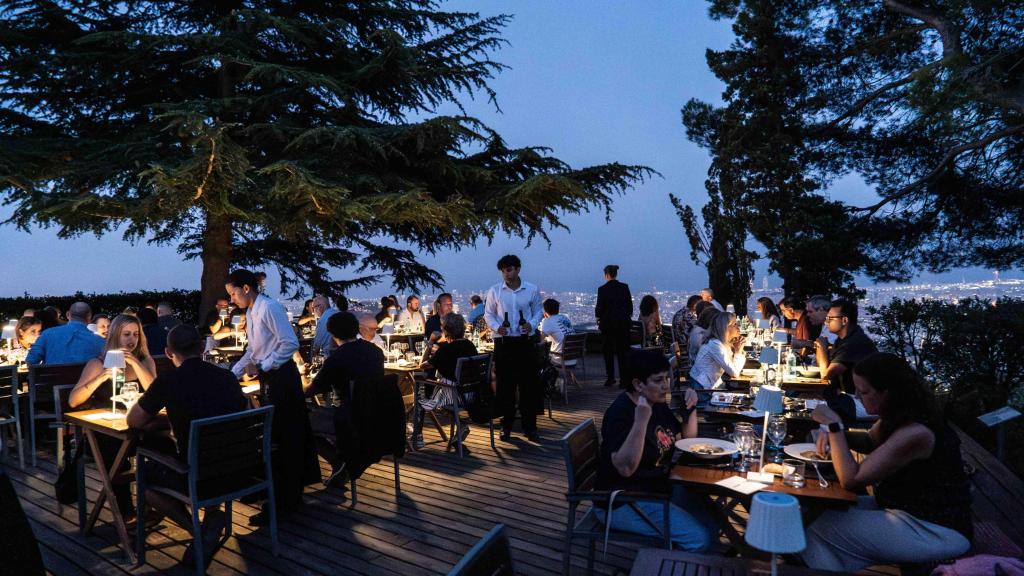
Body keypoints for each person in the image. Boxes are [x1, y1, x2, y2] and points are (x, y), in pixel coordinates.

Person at [802, 353, 972, 572]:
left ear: (887, 393)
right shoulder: (898, 416)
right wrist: (841, 434)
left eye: (864, 392)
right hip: (901, 507)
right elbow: (868, 440)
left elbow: (850, 479)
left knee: (819, 530)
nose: (857, 397)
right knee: (814, 512)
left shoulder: (917, 432)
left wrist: (834, 426)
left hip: (934, 528)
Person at [126, 325, 247, 563]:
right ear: (202, 347)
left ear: (169, 352)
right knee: (205, 453)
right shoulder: (227, 377)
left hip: (201, 477)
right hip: (242, 470)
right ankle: (213, 516)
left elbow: (134, 420)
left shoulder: (169, 382)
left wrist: (165, 419)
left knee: (146, 477)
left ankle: (198, 531)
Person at [595, 349, 712, 551]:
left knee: (712, 519)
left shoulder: (656, 403)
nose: (666, 385)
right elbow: (626, 468)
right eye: (658, 380)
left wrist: (691, 409)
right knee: (699, 539)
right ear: (638, 384)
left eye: (667, 378)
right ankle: (665, 565)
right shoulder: (620, 414)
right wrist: (641, 421)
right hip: (623, 502)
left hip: (657, 489)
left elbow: (687, 441)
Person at [226, 269, 316, 524]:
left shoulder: (269, 307)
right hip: (271, 377)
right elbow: (253, 350)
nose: (232, 299)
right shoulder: (251, 311)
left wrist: (264, 366)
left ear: (246, 288)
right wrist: (233, 373)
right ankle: (276, 492)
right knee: (274, 434)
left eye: (233, 293)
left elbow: (290, 343)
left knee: (285, 436)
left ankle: (288, 499)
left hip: (283, 379)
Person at [69, 314, 157, 519]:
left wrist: (134, 362)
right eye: (126, 334)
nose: (131, 339)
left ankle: (153, 502)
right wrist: (102, 377)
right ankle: (127, 512)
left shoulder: (144, 361)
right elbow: (73, 400)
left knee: (162, 442)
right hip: (103, 431)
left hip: (136, 427)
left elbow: (154, 392)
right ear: (115, 335)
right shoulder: (98, 363)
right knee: (114, 449)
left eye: (135, 334)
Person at [304, 311, 385, 485]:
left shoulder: (337, 358)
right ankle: (342, 463)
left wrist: (299, 384)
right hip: (378, 418)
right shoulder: (376, 352)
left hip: (351, 421)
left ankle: (338, 461)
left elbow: (313, 390)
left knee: (301, 420)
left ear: (333, 334)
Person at [484, 254, 543, 442]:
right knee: (505, 388)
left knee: (528, 386)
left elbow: (538, 311)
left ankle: (530, 427)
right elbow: (488, 314)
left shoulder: (531, 290)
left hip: (525, 343)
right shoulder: (495, 291)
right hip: (504, 343)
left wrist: (532, 325)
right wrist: (496, 327)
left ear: (517, 269)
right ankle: (506, 426)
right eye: (503, 271)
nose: (505, 274)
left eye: (508, 270)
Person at [413, 314, 478, 449]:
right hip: (471, 394)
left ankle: (417, 436)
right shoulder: (470, 345)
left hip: (454, 396)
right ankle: (461, 424)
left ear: (446, 331)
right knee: (442, 392)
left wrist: (430, 343)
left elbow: (422, 365)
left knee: (419, 399)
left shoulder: (446, 350)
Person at [816, 299, 878, 421]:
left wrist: (821, 347)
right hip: (850, 398)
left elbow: (825, 374)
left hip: (860, 404)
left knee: (815, 411)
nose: (826, 322)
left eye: (830, 319)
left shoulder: (853, 343)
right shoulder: (845, 339)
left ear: (844, 320)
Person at [26, 302, 105, 364]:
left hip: (52, 383)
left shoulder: (47, 334)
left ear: (68, 314)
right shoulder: (100, 342)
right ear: (89, 317)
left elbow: (30, 361)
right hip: (88, 384)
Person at [595, 264, 632, 387]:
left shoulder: (602, 289)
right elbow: (629, 308)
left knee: (608, 352)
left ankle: (610, 378)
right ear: (616, 274)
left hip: (608, 326)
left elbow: (599, 309)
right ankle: (624, 380)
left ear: (606, 275)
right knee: (623, 352)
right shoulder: (624, 287)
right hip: (623, 325)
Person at [688, 312, 746, 391]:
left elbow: (732, 367)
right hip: (701, 390)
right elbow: (734, 373)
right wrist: (738, 352)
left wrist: (737, 350)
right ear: (725, 328)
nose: (738, 327)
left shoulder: (722, 343)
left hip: (710, 387)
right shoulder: (715, 345)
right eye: (734, 324)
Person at [539, 298, 576, 370]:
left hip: (560, 358)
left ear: (545, 311)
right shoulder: (564, 318)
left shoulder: (548, 321)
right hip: (574, 357)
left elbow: (541, 340)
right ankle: (567, 378)